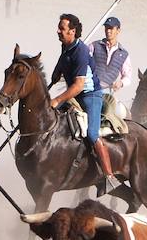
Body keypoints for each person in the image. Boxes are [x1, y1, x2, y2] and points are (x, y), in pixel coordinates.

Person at [49, 13, 116, 187]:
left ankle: (109, 177)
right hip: (74, 93)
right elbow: (63, 60)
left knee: (92, 134)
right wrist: (57, 72)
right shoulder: (66, 46)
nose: (58, 31)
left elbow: (78, 86)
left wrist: (56, 100)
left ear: (72, 31)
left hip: (89, 95)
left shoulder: (81, 51)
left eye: (62, 28)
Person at [92, 15, 132, 119]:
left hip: (108, 92)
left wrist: (121, 83)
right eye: (106, 28)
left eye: (111, 28)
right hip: (90, 88)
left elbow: (128, 76)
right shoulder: (94, 46)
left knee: (119, 115)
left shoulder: (123, 53)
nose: (108, 31)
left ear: (118, 30)